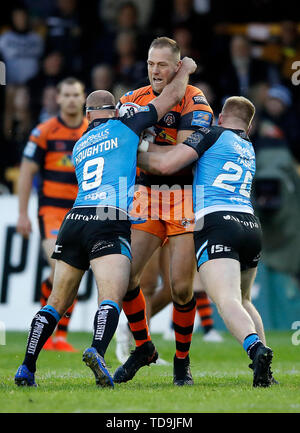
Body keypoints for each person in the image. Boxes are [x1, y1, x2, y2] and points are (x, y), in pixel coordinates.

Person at [14, 56, 197, 388]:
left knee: (56, 301)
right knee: (111, 296)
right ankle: (98, 350)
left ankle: (27, 366)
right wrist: (184, 69)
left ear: (86, 118)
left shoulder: (81, 143)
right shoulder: (126, 126)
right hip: (109, 218)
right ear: (114, 112)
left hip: (74, 218)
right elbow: (170, 98)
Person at [137, 96, 276, 387]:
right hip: (250, 224)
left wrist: (135, 150)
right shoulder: (247, 146)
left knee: (226, 300)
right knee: (245, 299)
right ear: (247, 127)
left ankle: (255, 348)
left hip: (216, 222)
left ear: (221, 118)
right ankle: (265, 370)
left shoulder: (211, 133)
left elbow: (166, 165)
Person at [113, 36, 213, 386]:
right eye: (151, 64)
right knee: (126, 280)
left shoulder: (196, 99)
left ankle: (181, 363)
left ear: (177, 67)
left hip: (183, 196)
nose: (155, 71)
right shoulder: (131, 100)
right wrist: (147, 152)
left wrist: (142, 149)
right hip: (145, 197)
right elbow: (116, 148)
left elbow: (179, 159)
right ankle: (144, 347)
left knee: (182, 289)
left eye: (163, 65)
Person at [16, 77, 88, 352]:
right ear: (57, 99)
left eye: (76, 94)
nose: (71, 99)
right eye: (66, 95)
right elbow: (26, 171)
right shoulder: (44, 131)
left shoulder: (91, 132)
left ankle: (58, 336)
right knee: (62, 267)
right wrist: (23, 213)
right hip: (53, 212)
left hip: (82, 212)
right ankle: (51, 333)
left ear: (83, 98)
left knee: (70, 271)